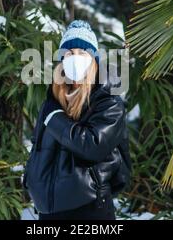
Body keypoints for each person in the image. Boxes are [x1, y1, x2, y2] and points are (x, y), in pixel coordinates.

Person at [23, 20, 132, 220]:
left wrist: (55, 119)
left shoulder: (108, 101)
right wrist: (31, 179)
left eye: (82, 53)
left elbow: (92, 145)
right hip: (49, 211)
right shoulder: (53, 101)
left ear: (93, 59)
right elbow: (37, 146)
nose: (75, 58)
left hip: (89, 208)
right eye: (69, 53)